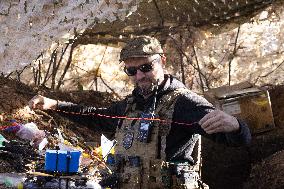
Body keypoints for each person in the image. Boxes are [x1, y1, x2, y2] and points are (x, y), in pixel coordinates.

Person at [29, 36, 251, 189]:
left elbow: (236, 140)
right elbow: (99, 117)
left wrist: (236, 126)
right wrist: (55, 105)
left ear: (162, 61)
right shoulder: (131, 104)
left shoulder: (184, 102)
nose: (140, 76)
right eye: (131, 71)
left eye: (146, 67)